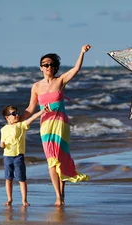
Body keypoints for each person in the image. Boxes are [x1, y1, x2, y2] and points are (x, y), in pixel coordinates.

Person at [22, 45, 91, 206]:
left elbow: (76, 69)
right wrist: (18, 119)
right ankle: (58, 196)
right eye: (45, 65)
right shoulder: (36, 86)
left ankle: (62, 193)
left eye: (51, 65)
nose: (49, 67)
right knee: (51, 160)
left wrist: (81, 52)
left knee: (61, 158)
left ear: (55, 67)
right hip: (45, 125)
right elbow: (31, 108)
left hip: (60, 123)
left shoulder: (60, 81)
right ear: (41, 68)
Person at [0, 104, 47, 206]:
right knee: (8, 178)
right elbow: (2, 141)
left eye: (17, 113)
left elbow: (32, 118)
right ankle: (9, 199)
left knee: (21, 179)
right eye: (13, 114)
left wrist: (42, 111)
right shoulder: (3, 129)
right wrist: (2, 144)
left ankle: (24, 200)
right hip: (7, 156)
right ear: (7, 117)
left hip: (18, 156)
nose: (17, 115)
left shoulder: (21, 125)